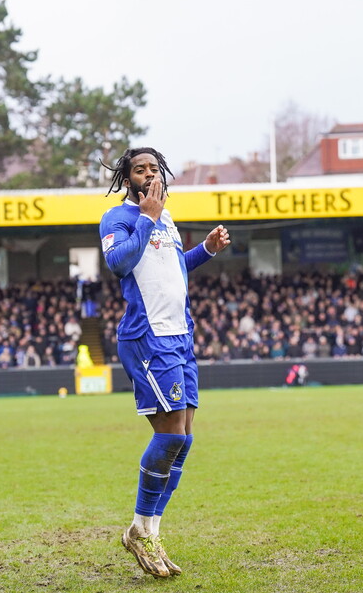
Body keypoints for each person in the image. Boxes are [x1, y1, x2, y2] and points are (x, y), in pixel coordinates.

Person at [100, 147, 231, 578]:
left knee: (185, 438)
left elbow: (173, 268)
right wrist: (147, 216)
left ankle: (148, 531)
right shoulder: (118, 218)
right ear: (128, 178)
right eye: (140, 169)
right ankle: (141, 528)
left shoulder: (167, 219)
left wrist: (205, 251)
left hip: (180, 334)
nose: (149, 174)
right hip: (147, 336)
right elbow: (120, 262)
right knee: (171, 434)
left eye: (154, 168)